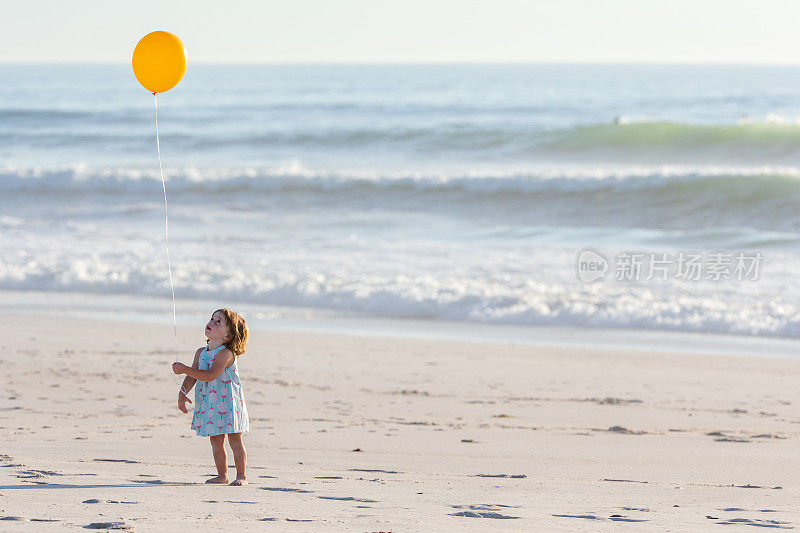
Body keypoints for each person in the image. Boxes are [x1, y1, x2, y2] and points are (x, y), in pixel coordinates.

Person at [172, 308, 250, 486]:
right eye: (212, 319)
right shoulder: (201, 352)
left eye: (218, 322)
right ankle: (222, 475)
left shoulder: (225, 354)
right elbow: (193, 376)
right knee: (215, 440)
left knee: (234, 439)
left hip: (228, 403)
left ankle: (242, 476)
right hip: (210, 402)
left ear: (228, 336)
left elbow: (210, 375)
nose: (212, 322)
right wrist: (182, 393)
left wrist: (184, 368)